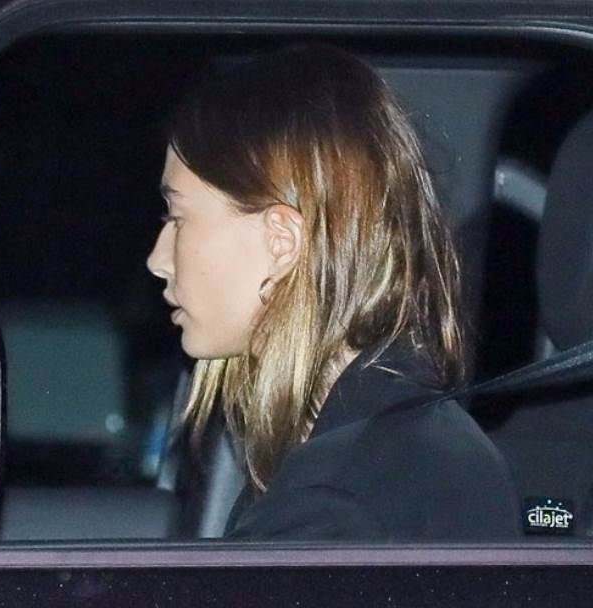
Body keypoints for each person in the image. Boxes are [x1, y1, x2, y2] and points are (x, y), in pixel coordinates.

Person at [146, 45, 519, 540]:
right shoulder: (387, 445)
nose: (158, 260)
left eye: (177, 218)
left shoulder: (334, 501)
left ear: (281, 242)